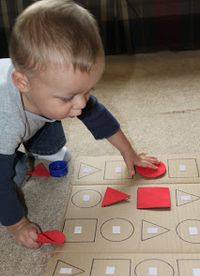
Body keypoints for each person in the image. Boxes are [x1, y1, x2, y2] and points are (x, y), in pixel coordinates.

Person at [0, 0, 158, 249]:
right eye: (69, 96)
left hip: (34, 111)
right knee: (13, 175)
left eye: (87, 91)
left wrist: (130, 152)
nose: (82, 103)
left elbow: (99, 116)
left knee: (54, 114)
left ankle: (43, 148)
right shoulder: (6, 119)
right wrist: (18, 225)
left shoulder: (56, 91)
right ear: (23, 83)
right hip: (6, 128)